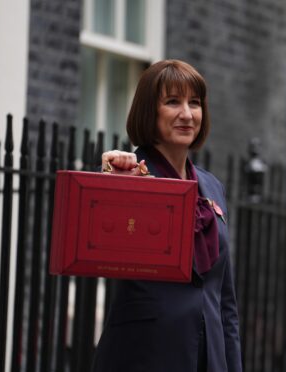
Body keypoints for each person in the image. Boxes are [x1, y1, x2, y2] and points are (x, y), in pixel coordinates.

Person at [91, 60, 242, 372]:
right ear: (150, 110)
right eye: (173, 101)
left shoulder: (213, 187)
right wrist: (112, 181)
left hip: (208, 358)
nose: (187, 114)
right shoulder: (129, 173)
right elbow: (97, 242)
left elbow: (225, 302)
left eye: (195, 103)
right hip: (144, 355)